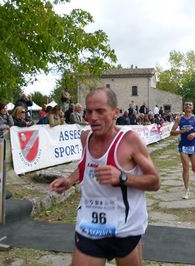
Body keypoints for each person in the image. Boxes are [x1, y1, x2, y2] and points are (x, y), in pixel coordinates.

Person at [49, 87, 160, 266]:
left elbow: (155, 182)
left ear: (116, 112)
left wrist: (123, 178)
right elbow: (85, 165)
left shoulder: (130, 140)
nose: (93, 117)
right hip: (90, 225)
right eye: (89, 111)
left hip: (126, 227)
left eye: (100, 111)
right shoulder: (85, 137)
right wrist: (69, 180)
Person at [171, 101, 195, 199]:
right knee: (185, 167)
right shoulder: (179, 119)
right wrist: (181, 131)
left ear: (192, 107)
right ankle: (187, 190)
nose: (188, 106)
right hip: (183, 145)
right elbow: (172, 132)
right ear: (184, 107)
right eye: (186, 104)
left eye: (190, 105)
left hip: (194, 144)